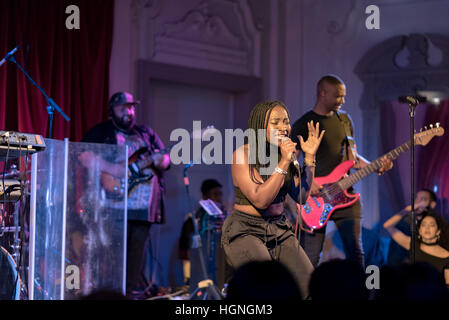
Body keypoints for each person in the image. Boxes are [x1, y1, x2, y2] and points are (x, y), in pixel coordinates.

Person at [221, 100, 324, 299]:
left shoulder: (287, 154)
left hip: (279, 228)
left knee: (310, 288)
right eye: (275, 122)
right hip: (245, 231)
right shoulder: (243, 154)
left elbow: (301, 196)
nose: (284, 127)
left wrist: (309, 158)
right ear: (260, 126)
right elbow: (261, 200)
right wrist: (284, 161)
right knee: (268, 291)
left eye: (286, 121)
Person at [291, 74, 393, 268]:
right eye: (338, 96)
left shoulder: (345, 120)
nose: (343, 101)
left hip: (345, 196)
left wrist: (375, 164)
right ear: (322, 93)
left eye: (344, 96)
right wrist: (306, 181)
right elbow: (289, 162)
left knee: (356, 253)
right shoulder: (304, 124)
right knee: (310, 259)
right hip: (315, 199)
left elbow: (351, 159)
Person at [80, 91, 170, 298]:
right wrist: (112, 168)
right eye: (123, 108)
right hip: (112, 205)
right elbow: (83, 155)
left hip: (142, 208)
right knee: (110, 254)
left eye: (131, 107)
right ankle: (109, 293)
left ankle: (127, 293)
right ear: (112, 110)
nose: (129, 112)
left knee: (136, 254)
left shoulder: (146, 133)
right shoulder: (101, 131)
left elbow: (165, 159)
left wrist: (161, 161)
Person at [178, 179, 228, 287]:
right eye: (215, 194)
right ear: (205, 197)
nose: (219, 198)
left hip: (222, 268)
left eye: (220, 194)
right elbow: (185, 249)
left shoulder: (228, 218)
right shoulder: (193, 219)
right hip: (200, 268)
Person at [384, 209, 449, 285]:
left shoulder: (447, 256)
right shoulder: (412, 245)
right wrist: (407, 209)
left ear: (438, 231)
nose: (427, 228)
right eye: (423, 225)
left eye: (431, 225)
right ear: (420, 231)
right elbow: (388, 226)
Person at [387, 188, 438, 266]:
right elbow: (388, 226)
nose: (417, 203)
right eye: (416, 199)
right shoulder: (404, 224)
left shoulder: (439, 225)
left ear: (432, 204)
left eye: (423, 199)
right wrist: (406, 210)